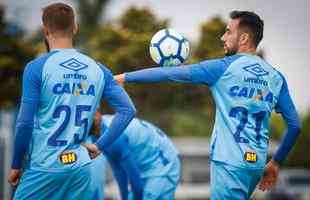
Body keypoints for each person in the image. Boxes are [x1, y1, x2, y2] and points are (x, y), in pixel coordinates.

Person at [115, 10, 301, 199]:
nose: (223, 37)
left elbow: (169, 73)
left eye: (228, 31)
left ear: (244, 38)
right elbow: (295, 125)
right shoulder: (276, 77)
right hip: (255, 164)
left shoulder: (222, 68)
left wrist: (124, 77)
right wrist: (276, 162)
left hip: (230, 162)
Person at [7, 3, 136, 200]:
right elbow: (127, 110)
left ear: (45, 29)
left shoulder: (36, 68)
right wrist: (100, 145)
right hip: (80, 168)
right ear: (75, 28)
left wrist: (16, 164)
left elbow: (24, 123)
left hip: (44, 168)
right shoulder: (98, 69)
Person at [87, 111, 181, 200]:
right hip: (147, 165)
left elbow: (133, 176)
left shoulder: (113, 136)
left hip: (164, 163)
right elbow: (118, 170)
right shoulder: (97, 132)